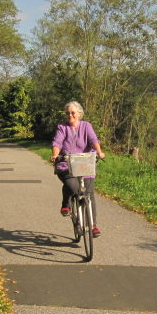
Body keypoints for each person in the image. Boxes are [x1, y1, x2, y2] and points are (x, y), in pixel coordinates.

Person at [49, 101, 105, 237]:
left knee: (89, 194)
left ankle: (93, 225)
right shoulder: (62, 127)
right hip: (66, 164)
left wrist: (99, 152)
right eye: (67, 113)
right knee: (72, 186)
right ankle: (66, 203)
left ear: (79, 114)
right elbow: (57, 142)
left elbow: (93, 140)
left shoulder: (86, 126)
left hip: (85, 164)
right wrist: (55, 155)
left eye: (73, 112)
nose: (70, 115)